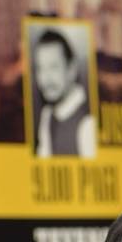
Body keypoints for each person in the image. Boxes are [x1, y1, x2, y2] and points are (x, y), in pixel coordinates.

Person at [32, 27, 96, 157]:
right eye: (40, 69)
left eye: (53, 67)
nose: (45, 78)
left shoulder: (88, 123)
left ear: (71, 70)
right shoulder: (47, 116)